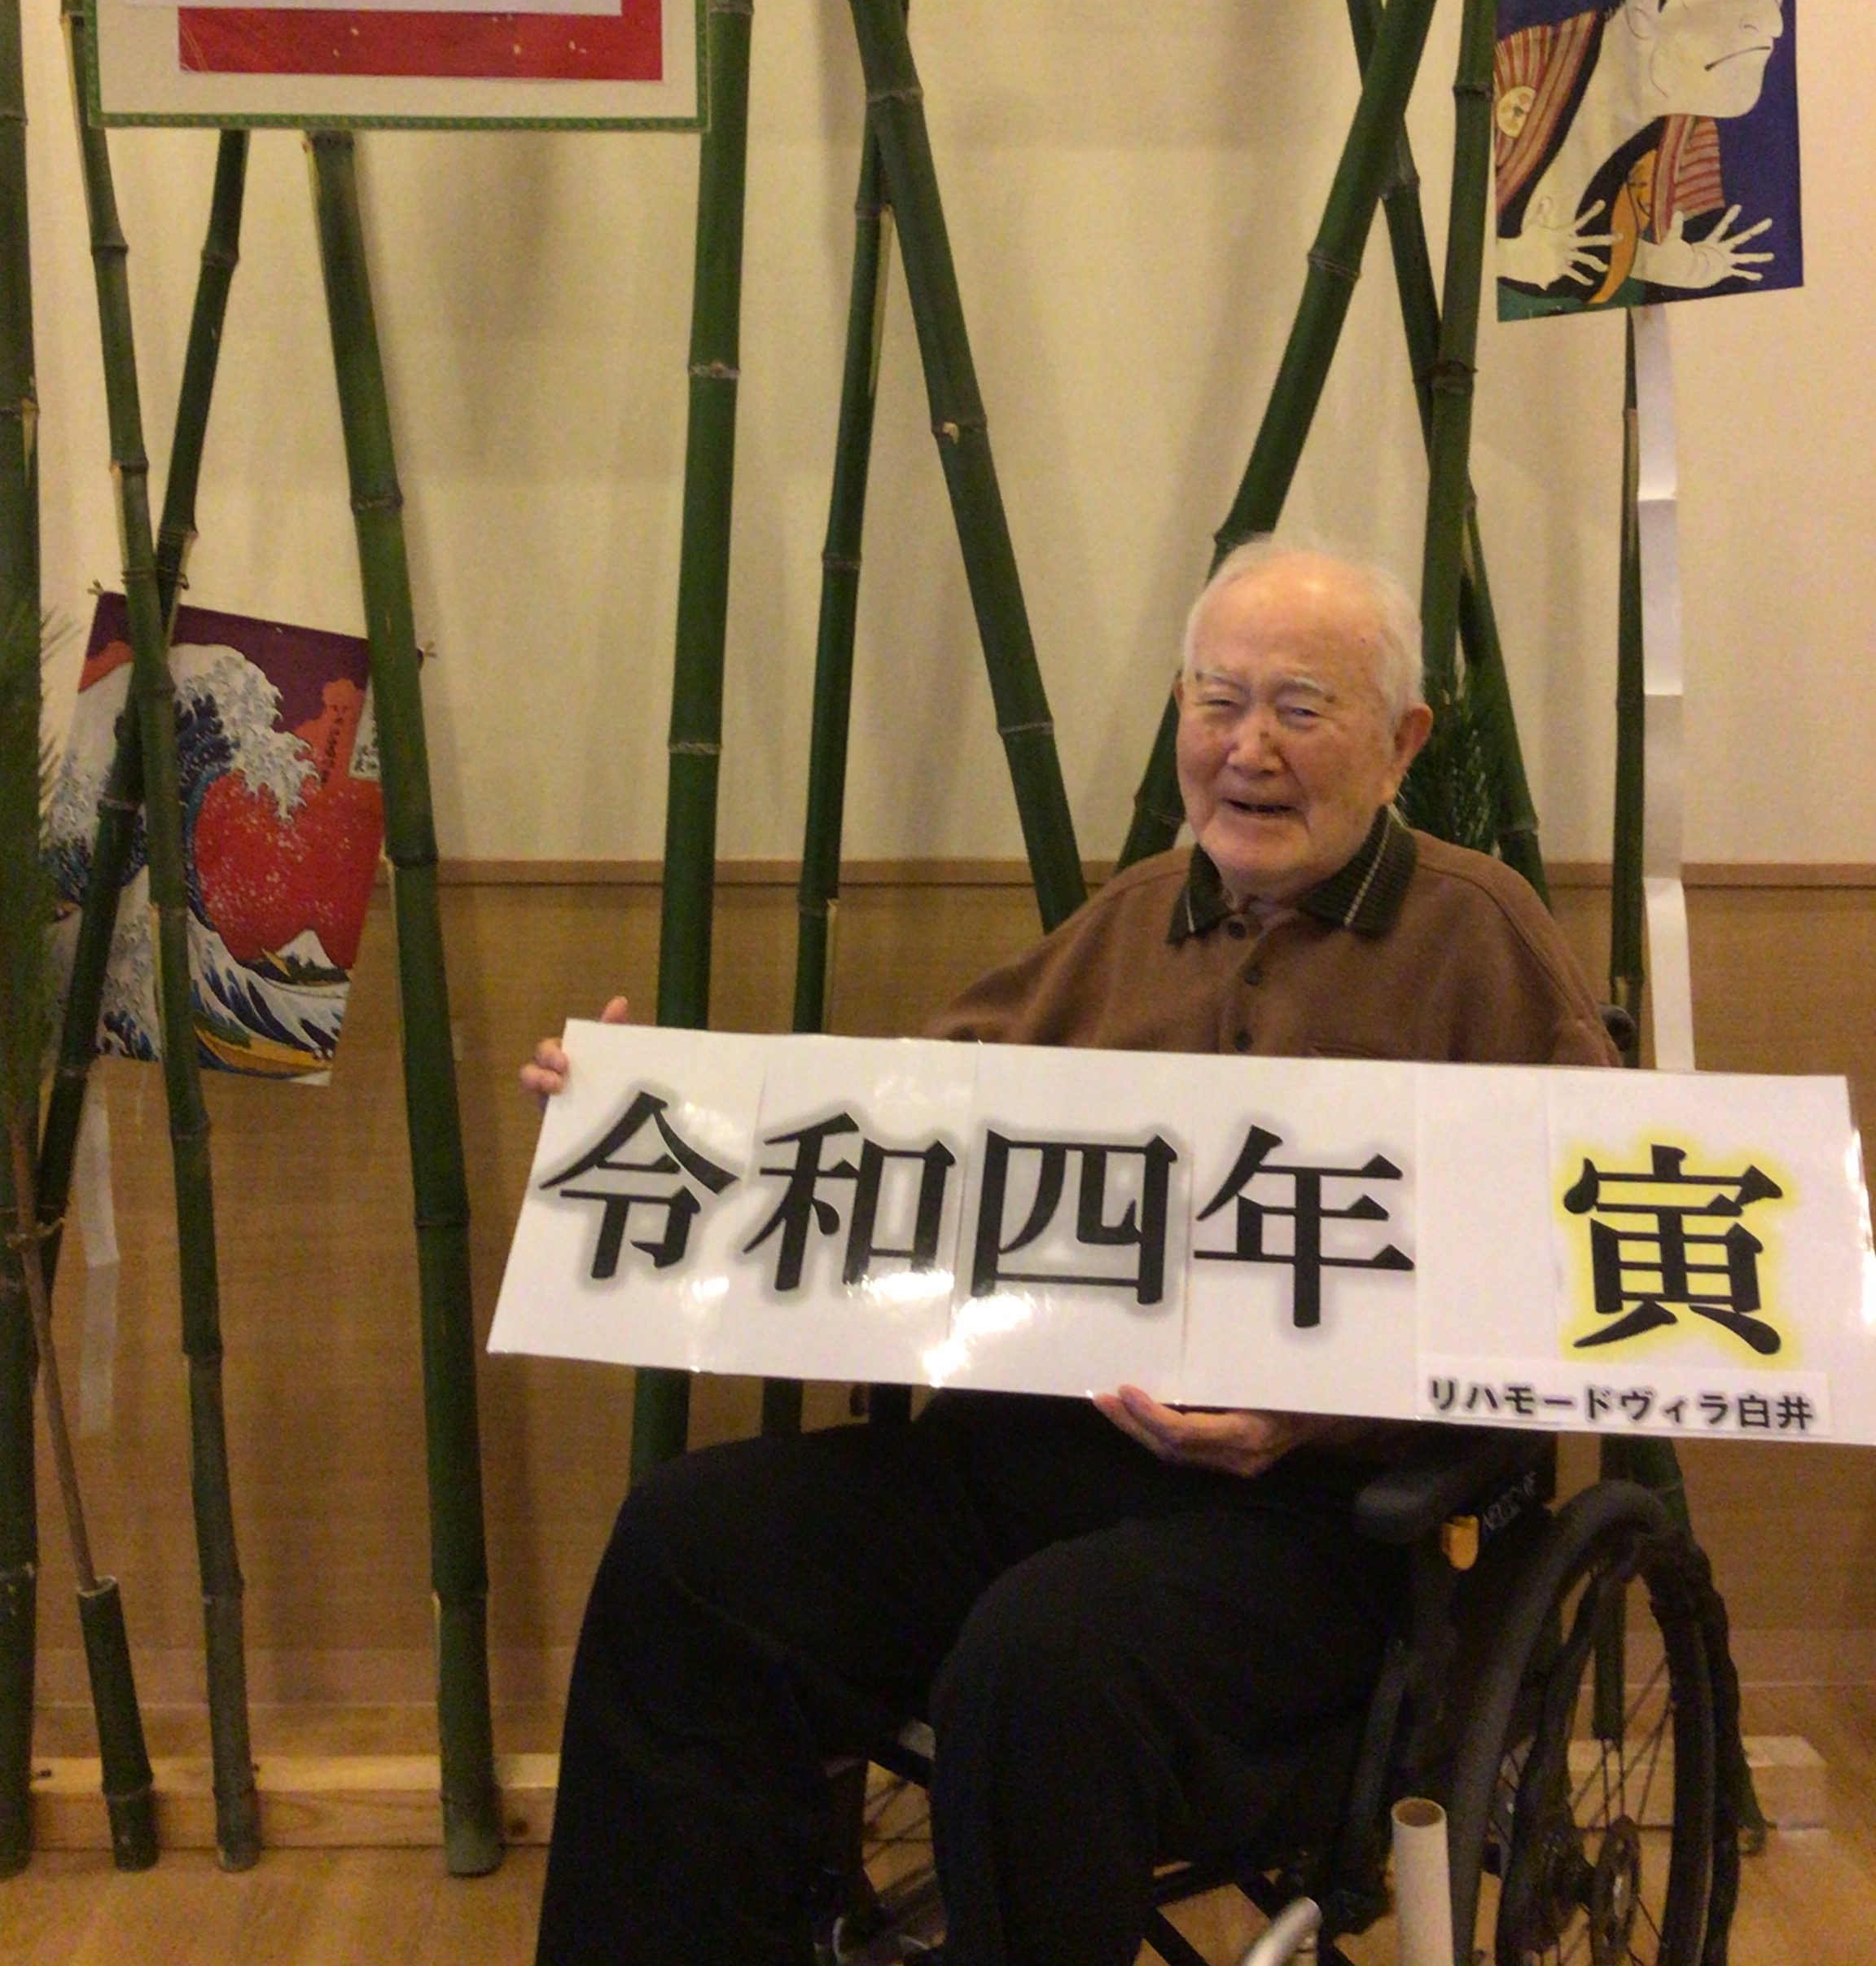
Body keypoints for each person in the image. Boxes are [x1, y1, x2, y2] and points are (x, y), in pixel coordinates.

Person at [521, 543, 1614, 1966]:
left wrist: (1318, 1407)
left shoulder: (1479, 938)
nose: (1249, 747)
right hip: (1032, 1455)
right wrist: (648, 1115)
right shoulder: (1128, 920)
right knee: (692, 1545)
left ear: (1403, 741)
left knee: (1044, 1651)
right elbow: (893, 1134)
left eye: (1301, 707)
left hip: (1314, 1524)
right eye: (1217, 700)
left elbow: (1579, 1273)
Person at [1494, 0, 1783, 307]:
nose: (1772, 21)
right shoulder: (1517, 68)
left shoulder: (1692, 128)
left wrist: (1665, 267)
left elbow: (1635, 254)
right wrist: (1507, 257)